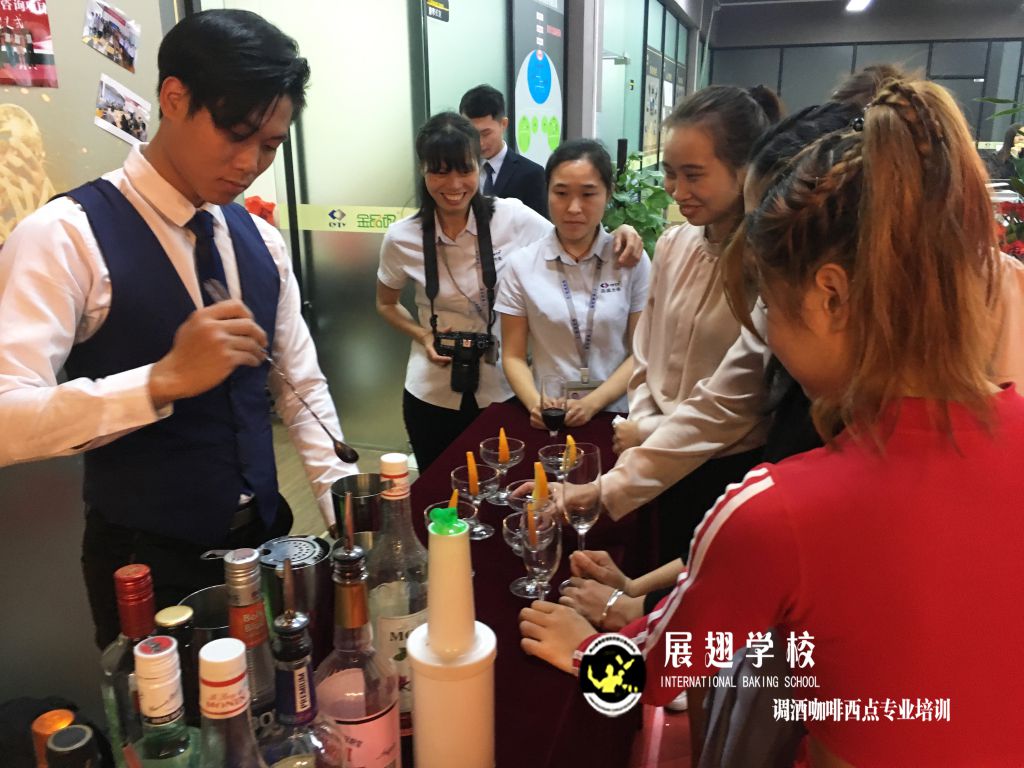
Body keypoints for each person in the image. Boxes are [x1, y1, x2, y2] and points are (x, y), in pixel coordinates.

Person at [520, 77, 1023, 765]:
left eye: (772, 310)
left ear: (831, 296)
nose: (769, 339)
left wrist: (583, 649)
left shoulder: (775, 507)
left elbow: (651, 674)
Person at [0, 10, 356, 649]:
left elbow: (302, 389)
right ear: (173, 98)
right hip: (145, 563)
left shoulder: (261, 241)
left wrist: (350, 523)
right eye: (235, 134)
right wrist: (159, 382)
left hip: (265, 543)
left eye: (270, 145)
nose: (249, 163)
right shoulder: (64, 235)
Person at [376, 113, 642, 471]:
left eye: (465, 169)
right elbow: (386, 304)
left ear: (480, 166)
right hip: (431, 386)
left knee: (500, 484)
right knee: (438, 485)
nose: (454, 184)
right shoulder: (401, 238)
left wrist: (620, 232)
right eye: (439, 171)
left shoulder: (511, 216)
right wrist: (422, 334)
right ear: (423, 171)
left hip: (501, 388)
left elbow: (571, 231)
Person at [600, 85, 773, 568]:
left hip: (721, 467)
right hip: (647, 452)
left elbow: (737, 400)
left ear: (744, 171)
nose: (677, 191)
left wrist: (649, 430)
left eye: (694, 175)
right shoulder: (676, 243)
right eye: (671, 173)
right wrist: (642, 423)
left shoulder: (765, 265)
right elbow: (646, 353)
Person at [496, 139, 651, 428]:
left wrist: (592, 403)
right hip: (549, 414)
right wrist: (535, 403)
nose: (573, 207)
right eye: (561, 193)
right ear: (547, 192)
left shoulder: (630, 260)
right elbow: (513, 356)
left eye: (588, 193)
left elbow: (642, 352)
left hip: (618, 417)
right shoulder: (522, 265)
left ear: (608, 193)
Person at [460, 84, 548, 218]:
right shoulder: (458, 170)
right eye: (472, 134)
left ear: (504, 124)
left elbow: (540, 226)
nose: (480, 143)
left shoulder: (531, 174)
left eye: (486, 133)